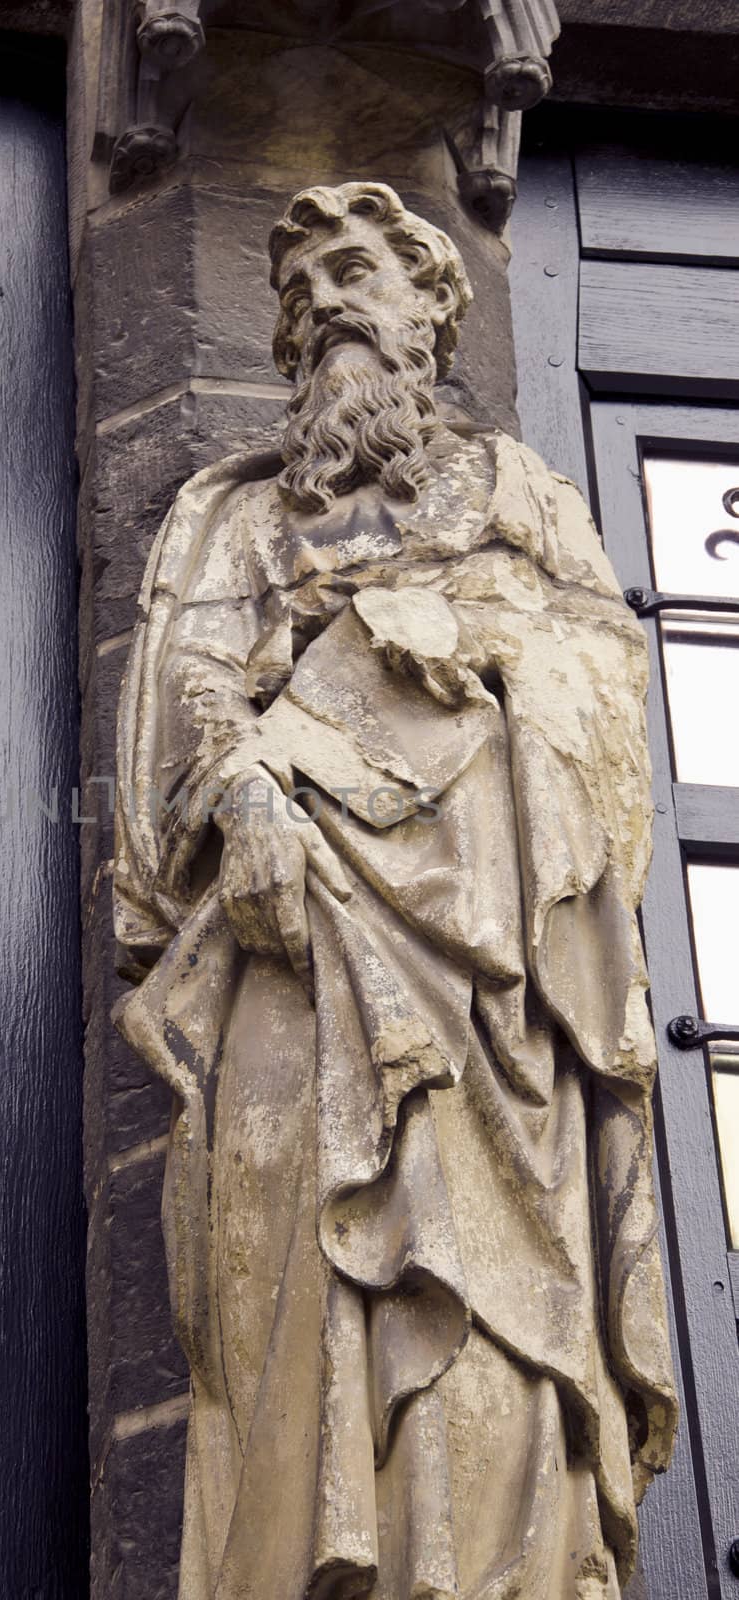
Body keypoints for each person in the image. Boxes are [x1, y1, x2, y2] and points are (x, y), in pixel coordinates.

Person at [112, 181, 677, 1600]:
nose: (327, 305)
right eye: (302, 291)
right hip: (295, 950)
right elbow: (183, 698)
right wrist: (239, 785)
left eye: (361, 269)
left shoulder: (524, 499)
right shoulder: (230, 517)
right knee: (280, 1273)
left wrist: (472, 637)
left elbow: (608, 698)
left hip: (496, 976)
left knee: (491, 1312)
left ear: (437, 306)